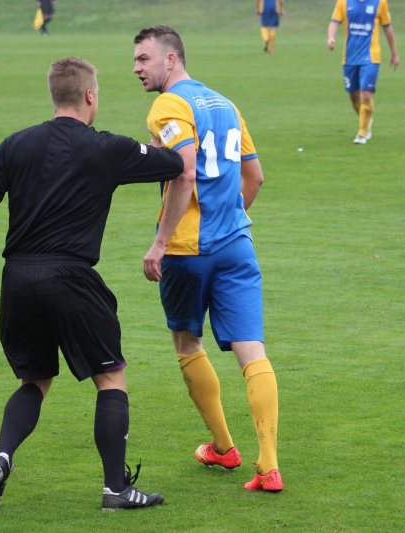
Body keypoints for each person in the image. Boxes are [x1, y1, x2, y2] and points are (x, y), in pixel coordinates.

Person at [0, 56, 183, 511]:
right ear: (90, 95)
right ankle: (115, 489)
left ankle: (0, 458)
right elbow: (173, 164)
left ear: (54, 95)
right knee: (110, 377)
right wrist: (161, 138)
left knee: (34, 380)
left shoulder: (16, 145)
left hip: (17, 279)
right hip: (71, 277)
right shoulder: (107, 148)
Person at [132, 25, 282, 492]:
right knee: (252, 352)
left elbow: (185, 173)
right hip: (237, 244)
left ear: (170, 59)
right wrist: (227, 220)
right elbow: (255, 178)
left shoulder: (167, 106)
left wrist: (160, 243)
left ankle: (223, 446)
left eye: (144, 59)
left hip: (186, 252)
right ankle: (269, 466)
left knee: (187, 344)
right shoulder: (225, 104)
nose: (136, 68)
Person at [327, 0, 399, 144]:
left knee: (366, 94)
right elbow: (334, 22)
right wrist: (331, 37)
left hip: (371, 57)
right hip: (350, 57)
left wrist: (394, 53)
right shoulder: (343, 2)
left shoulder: (380, 3)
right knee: (353, 96)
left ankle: (362, 133)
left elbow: (387, 28)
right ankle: (366, 119)